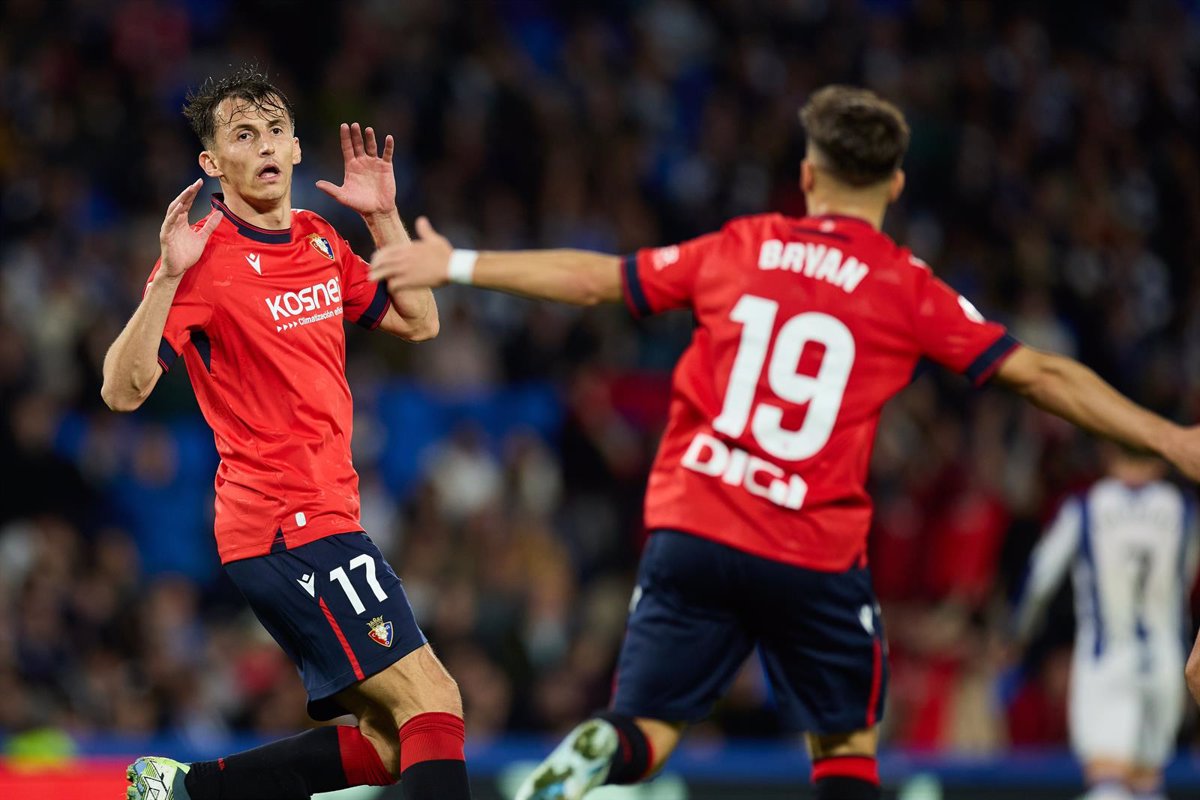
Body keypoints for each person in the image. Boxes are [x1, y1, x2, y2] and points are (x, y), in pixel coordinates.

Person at [368, 84, 1200, 800]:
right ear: (897, 183)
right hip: (812, 547)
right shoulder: (906, 287)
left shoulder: (741, 245)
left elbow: (596, 281)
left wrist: (459, 262)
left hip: (694, 523)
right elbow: (1043, 378)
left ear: (808, 177)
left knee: (649, 731)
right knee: (844, 748)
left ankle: (603, 747)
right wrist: (1168, 436)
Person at [102, 65, 471, 800]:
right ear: (213, 164)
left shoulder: (319, 239)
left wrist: (382, 218)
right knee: (436, 701)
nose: (265, 145)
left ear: (298, 147)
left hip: (326, 516)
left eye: (275, 130)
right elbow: (122, 388)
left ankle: (189, 791)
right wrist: (169, 279)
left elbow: (420, 321)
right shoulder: (202, 260)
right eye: (243, 134)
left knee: (393, 744)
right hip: (282, 522)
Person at [1013, 445, 1197, 800]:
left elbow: (1039, 575)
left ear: (1109, 454)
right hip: (1165, 664)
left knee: (1107, 782)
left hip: (1106, 661)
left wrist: (1017, 631)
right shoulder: (1183, 509)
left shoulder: (1086, 506)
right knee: (1146, 782)